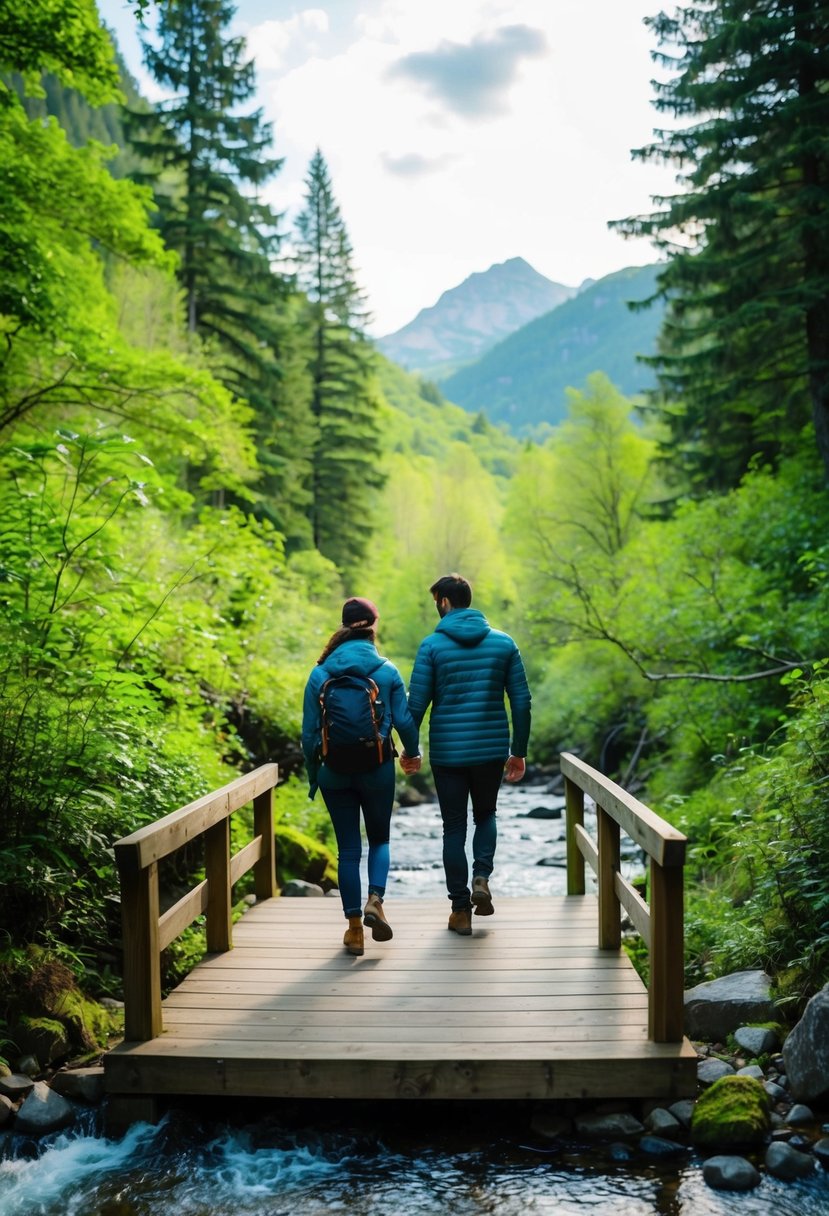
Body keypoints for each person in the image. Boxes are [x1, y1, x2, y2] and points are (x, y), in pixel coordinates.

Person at [404, 573, 531, 936]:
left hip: (448, 753)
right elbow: (521, 701)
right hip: (491, 750)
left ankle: (460, 909)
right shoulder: (504, 644)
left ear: (443, 602)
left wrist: (410, 751)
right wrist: (518, 751)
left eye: (435, 603)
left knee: (453, 828)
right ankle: (481, 876)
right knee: (486, 814)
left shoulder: (431, 646)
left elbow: (416, 706)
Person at [301, 597, 420, 957]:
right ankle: (376, 900)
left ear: (343, 626)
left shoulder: (320, 673)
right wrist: (412, 754)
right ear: (373, 626)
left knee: (348, 850)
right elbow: (403, 720)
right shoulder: (386, 670)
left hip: (334, 771)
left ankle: (354, 930)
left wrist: (313, 776)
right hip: (378, 767)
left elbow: (308, 735)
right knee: (380, 840)